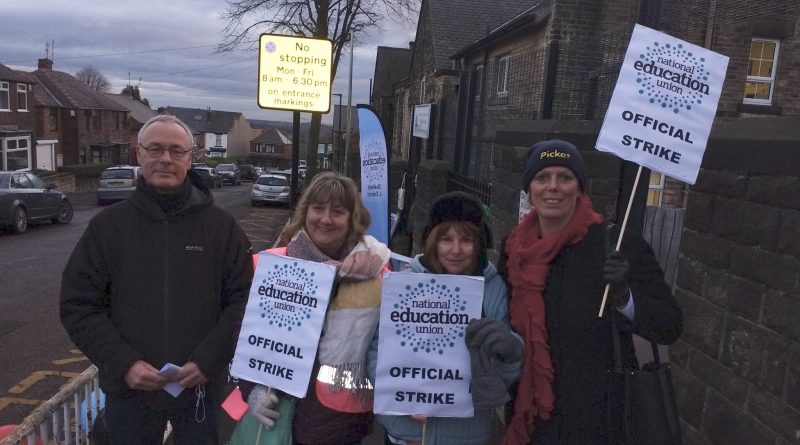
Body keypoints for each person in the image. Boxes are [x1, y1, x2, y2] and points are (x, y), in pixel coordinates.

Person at [60, 114, 254, 445]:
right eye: (156, 149)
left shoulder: (222, 229)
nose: (166, 158)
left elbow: (245, 302)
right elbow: (79, 305)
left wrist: (209, 360)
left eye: (176, 151)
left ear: (190, 159)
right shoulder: (108, 228)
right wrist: (124, 364)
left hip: (199, 391)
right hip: (131, 393)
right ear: (139, 154)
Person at [498, 139, 683, 444]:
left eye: (565, 178)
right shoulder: (515, 250)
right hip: (531, 417)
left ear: (580, 189)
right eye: (542, 178)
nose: (553, 187)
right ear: (529, 190)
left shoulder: (618, 246)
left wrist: (625, 298)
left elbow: (670, 324)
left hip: (598, 420)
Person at [241, 171, 391, 445]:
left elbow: (386, 346)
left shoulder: (377, 273)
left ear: (351, 220)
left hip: (340, 420)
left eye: (337, 211)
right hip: (276, 406)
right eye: (318, 208)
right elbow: (243, 337)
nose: (325, 219)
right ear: (305, 212)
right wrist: (250, 389)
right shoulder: (269, 265)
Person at [368, 192, 524, 445]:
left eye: (466, 240)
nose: (456, 250)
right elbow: (377, 350)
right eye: (446, 239)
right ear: (432, 242)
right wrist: (401, 395)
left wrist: (509, 348)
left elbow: (504, 370)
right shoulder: (404, 285)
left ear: (479, 244)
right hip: (406, 432)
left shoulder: (494, 289)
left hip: (465, 434)